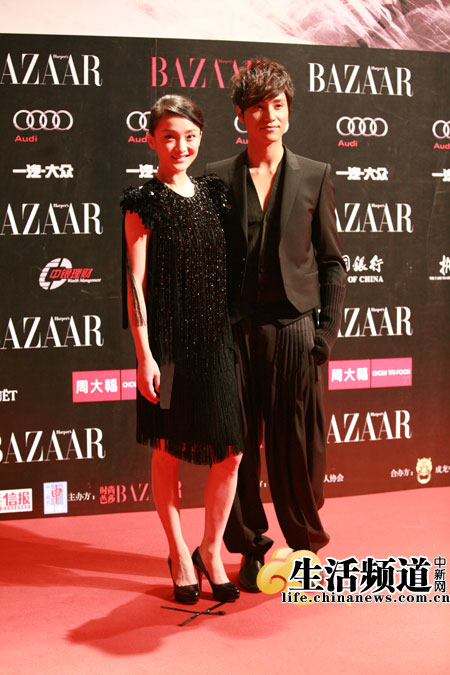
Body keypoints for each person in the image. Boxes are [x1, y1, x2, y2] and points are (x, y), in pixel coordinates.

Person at [206, 58, 347, 592]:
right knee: (238, 447)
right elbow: (208, 264)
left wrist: (325, 332)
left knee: (298, 444)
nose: (270, 115)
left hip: (295, 329)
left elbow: (331, 261)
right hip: (236, 331)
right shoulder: (217, 177)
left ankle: (306, 547)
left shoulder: (315, 174)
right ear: (242, 115)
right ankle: (250, 548)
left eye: (279, 105)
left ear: (289, 111)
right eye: (258, 107)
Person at [121, 95, 242, 604]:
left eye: (190, 136)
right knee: (167, 451)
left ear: (200, 138)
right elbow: (135, 283)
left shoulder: (215, 193)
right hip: (167, 347)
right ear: (151, 139)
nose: (180, 146)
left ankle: (210, 549)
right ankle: (177, 552)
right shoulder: (142, 200)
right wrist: (144, 355)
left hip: (215, 341)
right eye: (169, 136)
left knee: (231, 452)